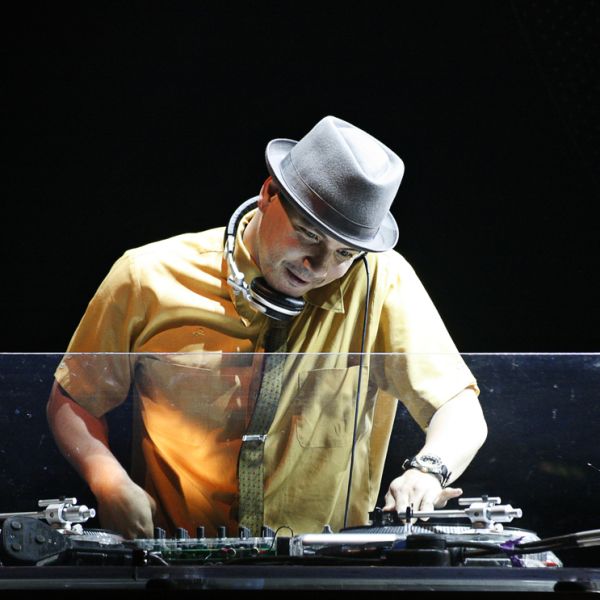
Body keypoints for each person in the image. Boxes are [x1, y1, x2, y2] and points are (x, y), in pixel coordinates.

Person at [46, 115, 488, 541]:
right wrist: (107, 480)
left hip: (329, 567)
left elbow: (460, 409)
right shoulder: (146, 277)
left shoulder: (383, 282)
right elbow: (73, 399)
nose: (319, 267)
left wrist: (430, 469)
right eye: (309, 234)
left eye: (344, 253)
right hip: (177, 562)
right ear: (268, 193)